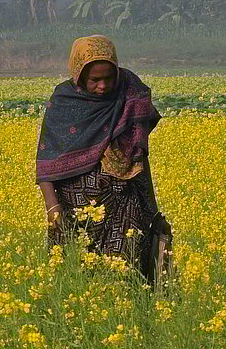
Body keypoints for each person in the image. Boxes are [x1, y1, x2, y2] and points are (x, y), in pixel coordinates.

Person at [36, 35, 170, 282]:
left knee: (123, 272)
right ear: (79, 74)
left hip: (124, 203)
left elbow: (140, 156)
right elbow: (46, 160)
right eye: (94, 80)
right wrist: (52, 207)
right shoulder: (65, 102)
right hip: (76, 211)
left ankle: (125, 317)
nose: (103, 86)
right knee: (75, 275)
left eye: (109, 78)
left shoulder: (131, 94)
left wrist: (151, 209)